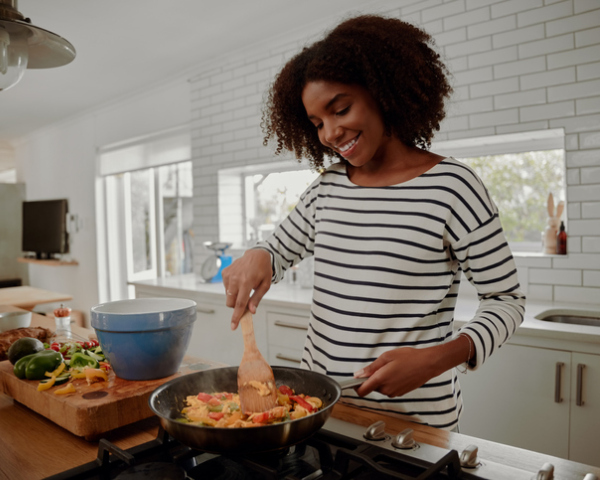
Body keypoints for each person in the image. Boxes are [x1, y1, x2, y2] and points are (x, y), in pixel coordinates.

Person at [221, 15, 525, 430]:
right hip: (322, 411)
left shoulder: (454, 187)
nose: (329, 133)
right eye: (317, 123)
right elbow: (277, 251)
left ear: (383, 91)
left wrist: (437, 358)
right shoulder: (327, 187)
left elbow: (506, 299)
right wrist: (259, 254)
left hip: (416, 423)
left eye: (340, 109)